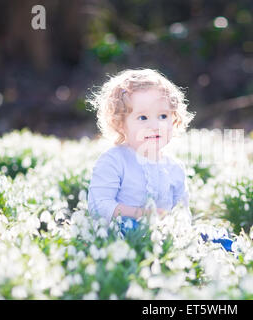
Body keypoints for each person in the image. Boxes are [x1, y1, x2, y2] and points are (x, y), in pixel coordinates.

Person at [87, 68, 234, 252]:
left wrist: (176, 226)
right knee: (133, 231)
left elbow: (182, 212)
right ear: (120, 123)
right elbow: (98, 205)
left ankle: (227, 253)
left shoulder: (174, 167)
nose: (155, 126)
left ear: (174, 119)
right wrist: (140, 214)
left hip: (164, 234)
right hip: (124, 234)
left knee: (213, 236)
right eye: (142, 117)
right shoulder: (114, 160)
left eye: (163, 116)